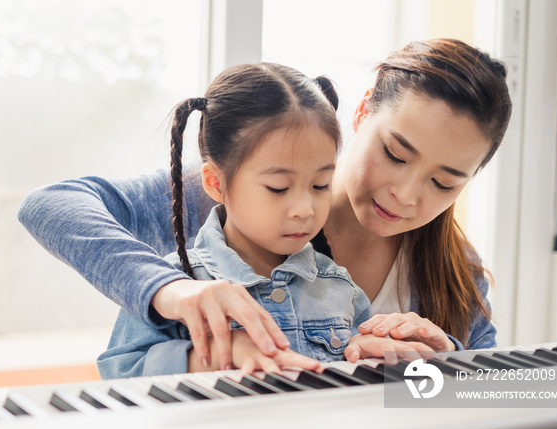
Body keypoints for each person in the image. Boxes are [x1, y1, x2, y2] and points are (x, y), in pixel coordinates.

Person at [18, 38, 512, 371]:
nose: (405, 195)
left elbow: (496, 408)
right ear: (362, 111)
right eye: (395, 154)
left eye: (444, 183)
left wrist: (445, 361)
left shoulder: (456, 273)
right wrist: (170, 291)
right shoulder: (229, 197)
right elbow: (52, 205)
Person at [94, 63, 375, 378]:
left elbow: (397, 392)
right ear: (215, 183)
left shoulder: (337, 285)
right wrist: (213, 354)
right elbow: (118, 373)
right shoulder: (174, 283)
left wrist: (393, 349)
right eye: (278, 188)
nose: (305, 209)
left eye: (321, 185)